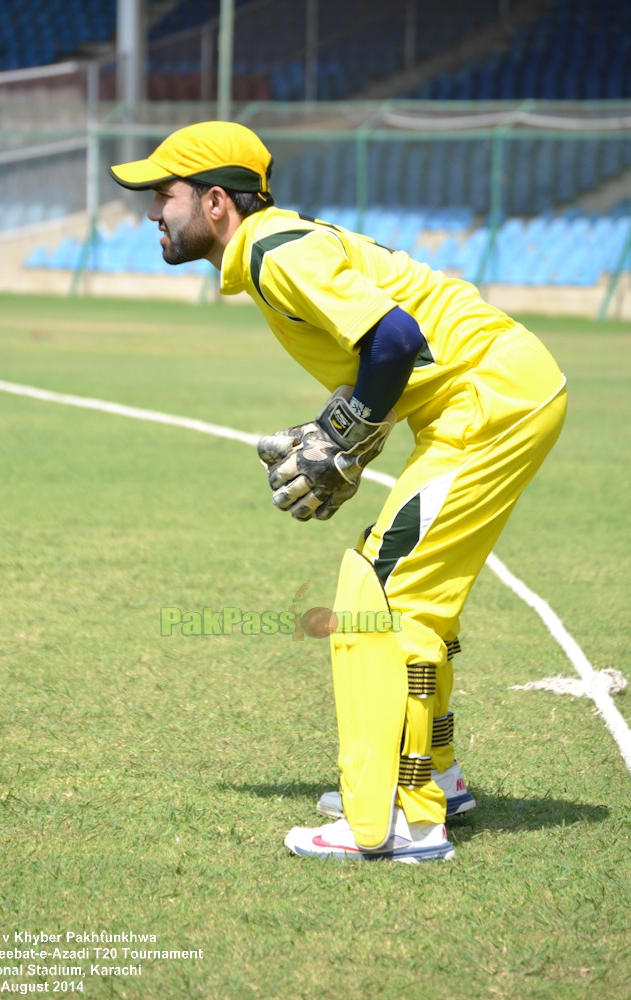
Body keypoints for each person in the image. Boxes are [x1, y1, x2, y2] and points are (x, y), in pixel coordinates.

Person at [109, 121, 567, 864]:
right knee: (410, 595)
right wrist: (344, 435)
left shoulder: (272, 253)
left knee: (379, 595)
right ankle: (431, 781)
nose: (153, 212)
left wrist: (343, 439)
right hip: (487, 395)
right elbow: (384, 359)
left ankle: (394, 823)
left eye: (164, 194)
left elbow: (393, 342)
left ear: (216, 202)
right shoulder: (279, 246)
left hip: (490, 401)